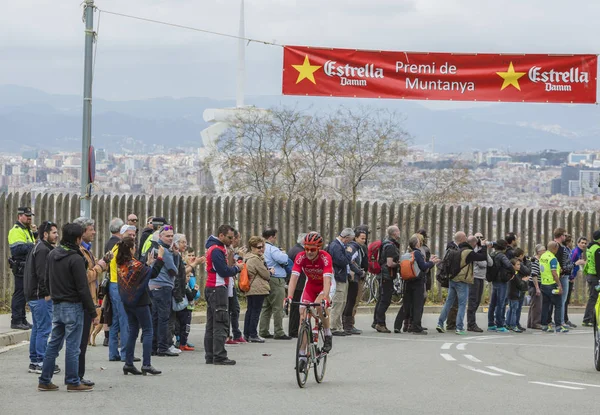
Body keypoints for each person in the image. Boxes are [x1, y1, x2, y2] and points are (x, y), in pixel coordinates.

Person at [37, 223, 98, 392]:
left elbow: (46, 278)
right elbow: (82, 288)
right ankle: (72, 380)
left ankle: (45, 379)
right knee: (73, 346)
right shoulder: (76, 258)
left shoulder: (53, 253)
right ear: (78, 239)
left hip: (57, 304)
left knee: (54, 343)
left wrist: (53, 294)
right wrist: (93, 312)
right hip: (73, 305)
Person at [285, 232, 333, 372]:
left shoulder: (325, 257)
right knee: (302, 313)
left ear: (319, 248)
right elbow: (294, 278)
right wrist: (289, 297)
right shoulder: (300, 257)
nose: (309, 252)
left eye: (312, 249)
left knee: (318, 306)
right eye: (306, 248)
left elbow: (327, 280)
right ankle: (302, 356)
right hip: (311, 285)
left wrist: (325, 297)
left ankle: (327, 332)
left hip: (325, 285)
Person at [116, 237, 164, 375]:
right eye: (134, 246)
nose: (136, 248)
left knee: (133, 330)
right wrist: (159, 258)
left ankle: (128, 363)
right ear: (131, 249)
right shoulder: (135, 264)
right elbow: (151, 274)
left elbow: (142, 273)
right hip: (140, 301)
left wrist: (148, 264)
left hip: (127, 301)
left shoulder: (122, 264)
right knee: (148, 330)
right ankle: (146, 364)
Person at [73, 217, 110, 387]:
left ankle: (78, 376)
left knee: (83, 341)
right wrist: (100, 266)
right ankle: (75, 377)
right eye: (91, 229)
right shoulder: (79, 252)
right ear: (82, 232)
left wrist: (103, 262)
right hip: (82, 301)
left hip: (90, 299)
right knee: (78, 342)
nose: (94, 232)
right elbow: (85, 277)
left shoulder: (87, 250)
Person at [24, 221, 59, 374]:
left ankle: (34, 360)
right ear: (45, 234)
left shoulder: (39, 247)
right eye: (53, 233)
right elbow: (42, 274)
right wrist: (46, 293)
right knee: (44, 329)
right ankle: (40, 361)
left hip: (35, 295)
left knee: (38, 328)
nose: (56, 235)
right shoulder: (43, 250)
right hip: (40, 296)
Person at [204, 225, 241, 365]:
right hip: (217, 288)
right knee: (220, 322)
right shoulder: (217, 250)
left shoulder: (217, 249)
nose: (232, 240)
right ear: (221, 236)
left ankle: (211, 355)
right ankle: (219, 355)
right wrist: (237, 268)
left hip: (214, 287)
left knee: (212, 323)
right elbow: (223, 271)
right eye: (229, 237)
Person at [437, 235, 488, 335]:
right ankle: (459, 327)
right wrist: (483, 246)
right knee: (462, 304)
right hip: (462, 281)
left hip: (452, 280)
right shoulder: (468, 252)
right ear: (473, 244)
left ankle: (440, 323)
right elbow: (483, 257)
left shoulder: (455, 250)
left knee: (448, 303)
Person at [395, 234, 440, 335]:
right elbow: (423, 267)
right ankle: (416, 326)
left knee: (406, 304)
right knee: (417, 305)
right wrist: (432, 263)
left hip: (407, 281)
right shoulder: (418, 254)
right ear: (418, 244)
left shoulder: (406, 254)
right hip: (417, 282)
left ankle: (397, 325)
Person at [149, 225, 180, 357]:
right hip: (163, 287)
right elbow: (174, 270)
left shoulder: (154, 248)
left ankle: (153, 347)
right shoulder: (165, 251)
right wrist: (176, 256)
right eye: (167, 236)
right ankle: (162, 347)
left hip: (153, 286)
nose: (170, 238)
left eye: (172, 236)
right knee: (163, 318)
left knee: (155, 318)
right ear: (160, 236)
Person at [259, 229, 291, 340]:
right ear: (271, 237)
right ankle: (279, 331)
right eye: (275, 237)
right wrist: (284, 254)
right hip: (276, 278)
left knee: (266, 306)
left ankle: (263, 330)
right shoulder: (273, 249)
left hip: (266, 278)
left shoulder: (261, 248)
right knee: (277, 306)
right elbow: (282, 259)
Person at [8, 206, 36, 330]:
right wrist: (33, 245)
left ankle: (22, 319)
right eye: (27, 215)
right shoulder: (16, 230)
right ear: (19, 216)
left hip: (26, 265)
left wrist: (34, 235)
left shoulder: (26, 230)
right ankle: (16, 320)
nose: (29, 218)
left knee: (24, 294)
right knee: (19, 293)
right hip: (20, 266)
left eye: (30, 216)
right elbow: (17, 249)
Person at [329, 228, 359, 336]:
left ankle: (338, 326)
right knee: (337, 302)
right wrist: (348, 253)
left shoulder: (340, 245)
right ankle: (333, 326)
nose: (349, 243)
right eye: (349, 240)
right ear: (345, 237)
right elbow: (342, 261)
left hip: (342, 276)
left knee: (342, 302)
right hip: (338, 277)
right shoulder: (336, 246)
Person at [243, 236, 272, 343]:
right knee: (255, 312)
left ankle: (247, 334)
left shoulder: (248, 257)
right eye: (258, 247)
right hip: (257, 288)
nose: (261, 249)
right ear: (252, 248)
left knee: (250, 311)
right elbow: (265, 274)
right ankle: (253, 334)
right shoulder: (255, 259)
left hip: (251, 288)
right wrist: (271, 272)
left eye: (262, 246)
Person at [373, 226, 401, 333]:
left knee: (381, 299)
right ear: (394, 233)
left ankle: (376, 322)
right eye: (398, 231)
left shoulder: (385, 243)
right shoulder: (390, 246)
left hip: (383, 275)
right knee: (385, 300)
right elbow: (389, 263)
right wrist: (399, 264)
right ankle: (380, 323)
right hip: (386, 276)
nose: (399, 232)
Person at [540, 241, 568, 333]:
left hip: (543, 284)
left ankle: (544, 325)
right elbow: (554, 273)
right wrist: (559, 285)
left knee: (545, 305)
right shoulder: (553, 259)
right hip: (552, 285)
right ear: (555, 248)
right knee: (558, 305)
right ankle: (559, 326)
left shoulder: (543, 256)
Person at [343, 229, 368, 335]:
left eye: (365, 238)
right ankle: (347, 325)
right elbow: (349, 261)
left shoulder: (358, 248)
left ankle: (348, 324)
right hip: (353, 278)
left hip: (356, 277)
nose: (364, 240)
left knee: (352, 301)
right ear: (355, 238)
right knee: (350, 301)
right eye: (362, 238)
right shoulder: (353, 248)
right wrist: (358, 271)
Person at [466, 233, 492, 332]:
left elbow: (490, 263)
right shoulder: (473, 250)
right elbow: (481, 262)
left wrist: (485, 250)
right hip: (474, 277)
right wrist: (482, 254)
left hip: (481, 277)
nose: (480, 239)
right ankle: (471, 324)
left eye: (482, 238)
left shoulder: (482, 250)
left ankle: (472, 323)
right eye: (478, 238)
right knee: (473, 301)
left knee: (477, 301)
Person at [287, 233, 307, 338]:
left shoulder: (294, 249)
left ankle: (293, 329)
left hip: (295, 281)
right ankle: (294, 330)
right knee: (296, 307)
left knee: (295, 307)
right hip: (299, 282)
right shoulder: (300, 252)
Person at [566, 236, 586, 328]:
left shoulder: (580, 252)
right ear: (578, 243)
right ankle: (564, 320)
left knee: (566, 300)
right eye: (582, 243)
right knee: (565, 301)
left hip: (571, 277)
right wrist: (571, 277)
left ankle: (565, 319)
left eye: (585, 243)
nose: (584, 245)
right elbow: (571, 264)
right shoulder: (576, 252)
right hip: (569, 278)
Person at [506, 258, 530, 332]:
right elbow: (519, 285)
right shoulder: (515, 274)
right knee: (514, 310)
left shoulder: (512, 273)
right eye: (518, 264)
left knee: (510, 309)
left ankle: (508, 324)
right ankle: (513, 325)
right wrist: (524, 280)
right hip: (514, 294)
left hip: (510, 293)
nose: (520, 266)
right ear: (513, 266)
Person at [582, 230, 600, 327]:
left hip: (590, 275)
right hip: (595, 276)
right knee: (593, 298)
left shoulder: (591, 247)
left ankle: (590, 318)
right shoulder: (597, 249)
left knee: (593, 298)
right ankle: (587, 319)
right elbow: (598, 265)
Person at [527, 244, 545, 330]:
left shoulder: (541, 260)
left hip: (537, 284)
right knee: (537, 305)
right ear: (539, 252)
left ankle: (531, 322)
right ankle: (535, 323)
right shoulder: (535, 261)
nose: (544, 252)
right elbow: (534, 275)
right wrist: (537, 287)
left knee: (534, 304)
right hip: (534, 285)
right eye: (543, 250)